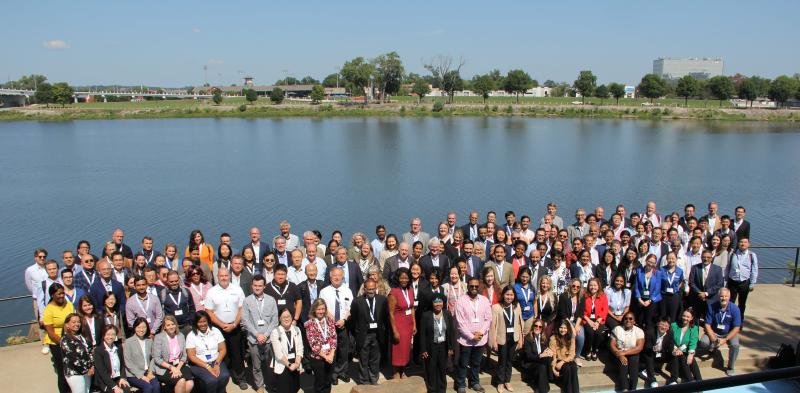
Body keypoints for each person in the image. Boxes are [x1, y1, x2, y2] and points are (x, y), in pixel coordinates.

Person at [204, 266, 247, 389]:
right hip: (218, 328)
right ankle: (223, 377)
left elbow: (241, 308)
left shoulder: (237, 289)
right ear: (217, 277)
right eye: (221, 276)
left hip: (235, 326)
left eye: (226, 275)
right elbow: (209, 311)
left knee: (237, 354)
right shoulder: (211, 291)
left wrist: (234, 324)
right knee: (222, 354)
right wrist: (222, 324)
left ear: (229, 276)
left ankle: (240, 378)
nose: (224, 278)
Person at [454, 277, 492, 393]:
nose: (474, 288)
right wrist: (471, 336)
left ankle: (475, 382)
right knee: (463, 363)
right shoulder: (460, 301)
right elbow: (460, 323)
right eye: (472, 286)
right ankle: (460, 384)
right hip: (466, 340)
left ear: (479, 286)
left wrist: (480, 332)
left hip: (480, 338)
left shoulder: (485, 300)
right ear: (468, 286)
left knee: (476, 363)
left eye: (476, 286)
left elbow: (488, 318)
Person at [243, 274, 279, 393]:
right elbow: (245, 320)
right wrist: (257, 334)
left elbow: (275, 320)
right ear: (252, 286)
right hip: (254, 339)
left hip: (268, 339)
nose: (257, 288)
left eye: (260, 285)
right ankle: (260, 386)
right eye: (255, 285)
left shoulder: (271, 300)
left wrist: (266, 334)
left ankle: (270, 383)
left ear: (264, 286)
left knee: (270, 364)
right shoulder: (247, 300)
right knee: (256, 365)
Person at [318, 266, 353, 384]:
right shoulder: (324, 291)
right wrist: (330, 317)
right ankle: (333, 374)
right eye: (334, 275)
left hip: (343, 325)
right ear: (330, 277)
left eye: (339, 275)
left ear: (342, 277)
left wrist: (343, 319)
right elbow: (321, 307)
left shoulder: (347, 290)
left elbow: (351, 308)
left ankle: (342, 372)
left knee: (343, 350)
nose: (336, 277)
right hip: (329, 326)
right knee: (332, 350)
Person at [351, 278, 388, 385]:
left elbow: (385, 317)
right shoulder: (357, 301)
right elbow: (353, 320)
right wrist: (357, 333)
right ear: (365, 289)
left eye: (373, 289)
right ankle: (364, 381)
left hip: (377, 334)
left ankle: (373, 379)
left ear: (376, 288)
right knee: (363, 360)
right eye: (369, 289)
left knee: (375, 359)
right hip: (364, 335)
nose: (371, 291)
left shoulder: (382, 299)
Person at [699, 287, 741, 376]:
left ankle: (730, 367)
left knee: (735, 345)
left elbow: (736, 328)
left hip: (728, 333)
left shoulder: (735, 309)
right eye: (722, 296)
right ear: (718, 297)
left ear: (729, 297)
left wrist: (725, 339)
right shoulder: (712, 306)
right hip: (714, 332)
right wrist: (711, 335)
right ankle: (713, 347)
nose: (724, 298)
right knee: (703, 342)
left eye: (726, 296)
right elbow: (707, 324)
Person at [186, 311, 230, 393]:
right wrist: (208, 367)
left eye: (204, 321)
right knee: (211, 380)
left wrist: (217, 364)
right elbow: (191, 356)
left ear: (208, 321)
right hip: (199, 364)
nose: (202, 324)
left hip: (216, 361)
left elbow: (223, 349)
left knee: (224, 376)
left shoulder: (215, 331)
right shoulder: (191, 336)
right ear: (196, 323)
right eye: (199, 322)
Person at [419, 293, 456, 393]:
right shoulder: (426, 315)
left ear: (443, 303)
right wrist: (423, 349)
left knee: (442, 369)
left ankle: (442, 389)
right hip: (431, 346)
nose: (438, 304)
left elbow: (451, 332)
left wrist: (451, 347)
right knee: (431, 369)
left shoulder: (447, 314)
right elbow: (422, 334)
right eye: (435, 302)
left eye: (440, 302)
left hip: (443, 346)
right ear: (432, 303)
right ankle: (432, 389)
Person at [490, 286, 524, 393]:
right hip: (502, 338)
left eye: (511, 295)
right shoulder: (496, 307)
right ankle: (500, 382)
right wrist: (494, 341)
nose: (509, 297)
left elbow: (520, 323)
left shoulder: (517, 306)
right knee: (502, 361)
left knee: (510, 361)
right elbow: (493, 326)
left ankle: (507, 381)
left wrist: (520, 339)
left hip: (513, 337)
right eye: (507, 294)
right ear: (503, 295)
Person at [43, 283, 75, 393]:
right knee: (63, 371)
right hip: (57, 343)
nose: (61, 296)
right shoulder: (48, 310)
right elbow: (50, 332)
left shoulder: (68, 304)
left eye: (63, 293)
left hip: (71, 339)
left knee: (73, 369)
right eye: (58, 294)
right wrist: (63, 343)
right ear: (52, 295)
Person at [152, 316, 194, 393]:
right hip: (165, 367)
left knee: (190, 383)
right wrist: (172, 368)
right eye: (168, 325)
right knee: (181, 381)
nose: (171, 327)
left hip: (179, 365)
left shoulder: (180, 336)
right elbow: (157, 358)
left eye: (172, 324)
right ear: (164, 327)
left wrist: (177, 368)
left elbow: (184, 356)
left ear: (176, 325)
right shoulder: (159, 337)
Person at [387, 268, 415, 379]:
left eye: (406, 277)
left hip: (408, 324)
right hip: (398, 324)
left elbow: (412, 308)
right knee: (398, 349)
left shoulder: (410, 290)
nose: (404, 280)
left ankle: (402, 370)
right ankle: (395, 373)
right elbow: (391, 313)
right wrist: (394, 331)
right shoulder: (393, 292)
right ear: (397, 278)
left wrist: (414, 324)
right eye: (402, 277)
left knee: (406, 349)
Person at [304, 299, 337, 393]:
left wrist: (331, 354)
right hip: (318, 358)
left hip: (330, 357)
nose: (321, 311)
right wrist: (326, 356)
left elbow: (333, 338)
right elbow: (313, 344)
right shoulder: (309, 324)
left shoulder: (329, 321)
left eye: (323, 309)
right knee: (320, 384)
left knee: (328, 382)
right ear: (314, 310)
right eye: (318, 309)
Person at [270, 308, 304, 393]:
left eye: (288, 316)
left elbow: (300, 348)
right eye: (284, 317)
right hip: (283, 364)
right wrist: (289, 365)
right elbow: (278, 353)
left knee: (294, 388)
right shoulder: (275, 332)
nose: (286, 319)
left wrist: (297, 363)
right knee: (284, 389)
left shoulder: (297, 329)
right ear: (279, 319)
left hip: (295, 363)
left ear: (292, 317)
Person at [122, 317, 160, 393]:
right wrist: (141, 376)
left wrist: (150, 372)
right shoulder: (128, 342)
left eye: (144, 327)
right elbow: (128, 362)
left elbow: (153, 357)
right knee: (148, 387)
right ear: (135, 328)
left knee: (156, 386)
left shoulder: (149, 340)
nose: (141, 330)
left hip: (148, 371)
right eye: (139, 327)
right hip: (134, 374)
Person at [610, 311, 645, 391]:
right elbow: (612, 345)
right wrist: (620, 355)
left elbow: (639, 347)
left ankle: (633, 389)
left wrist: (624, 353)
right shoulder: (617, 329)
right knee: (623, 365)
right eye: (626, 318)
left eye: (630, 318)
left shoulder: (639, 331)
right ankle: (625, 389)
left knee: (633, 365)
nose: (628, 320)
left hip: (633, 353)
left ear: (634, 321)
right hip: (618, 353)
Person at [61, 313, 96, 393]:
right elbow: (73, 358)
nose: (77, 324)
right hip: (75, 373)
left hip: (87, 371)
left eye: (78, 322)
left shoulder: (82, 337)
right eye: (73, 322)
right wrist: (86, 370)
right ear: (67, 325)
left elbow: (90, 351)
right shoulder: (65, 339)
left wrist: (92, 366)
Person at [725, 237, 757, 322]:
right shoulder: (733, 253)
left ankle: (739, 321)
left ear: (748, 244)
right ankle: (729, 320)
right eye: (741, 242)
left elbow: (754, 270)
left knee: (742, 303)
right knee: (730, 302)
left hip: (744, 282)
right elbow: (728, 268)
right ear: (738, 244)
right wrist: (726, 281)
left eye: (745, 242)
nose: (743, 244)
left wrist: (752, 283)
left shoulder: (751, 255)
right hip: (733, 282)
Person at [93, 324, 132, 393]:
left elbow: (122, 365)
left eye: (113, 334)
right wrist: (114, 386)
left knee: (127, 390)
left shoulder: (118, 347)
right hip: (104, 381)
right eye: (108, 334)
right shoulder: (98, 350)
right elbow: (102, 372)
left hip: (117, 378)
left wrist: (123, 378)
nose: (110, 337)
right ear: (103, 335)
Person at [556, 278, 585, 365]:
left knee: (580, 336)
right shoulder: (564, 296)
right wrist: (572, 327)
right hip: (565, 321)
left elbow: (581, 313)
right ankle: (566, 354)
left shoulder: (581, 297)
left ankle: (576, 356)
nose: (575, 288)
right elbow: (562, 313)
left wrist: (577, 325)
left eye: (578, 287)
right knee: (571, 333)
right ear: (570, 285)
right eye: (574, 286)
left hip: (576, 321)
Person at [641, 317, 677, 388]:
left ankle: (673, 379)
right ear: (657, 324)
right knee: (649, 356)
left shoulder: (670, 333)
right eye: (662, 324)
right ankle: (652, 380)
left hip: (662, 354)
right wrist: (654, 348)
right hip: (651, 353)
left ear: (668, 327)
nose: (663, 327)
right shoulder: (649, 332)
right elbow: (646, 348)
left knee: (674, 356)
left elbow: (670, 346)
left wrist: (674, 351)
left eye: (666, 326)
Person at [159, 270, 195, 334]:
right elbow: (160, 312)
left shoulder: (185, 292)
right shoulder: (163, 294)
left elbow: (192, 308)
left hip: (186, 327)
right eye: (171, 282)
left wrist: (190, 321)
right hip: (171, 329)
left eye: (176, 281)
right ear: (167, 281)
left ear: (179, 280)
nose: (174, 283)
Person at [671, 309, 702, 383]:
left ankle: (699, 381)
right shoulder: (674, 325)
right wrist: (675, 348)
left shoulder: (694, 328)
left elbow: (693, 342)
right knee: (683, 356)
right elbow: (669, 339)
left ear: (691, 318)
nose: (685, 318)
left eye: (688, 317)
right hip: (674, 351)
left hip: (684, 351)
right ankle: (691, 380)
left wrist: (691, 354)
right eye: (684, 316)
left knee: (690, 358)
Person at [549, 320, 579, 393]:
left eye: (565, 328)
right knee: (567, 367)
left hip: (566, 360)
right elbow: (553, 356)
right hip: (558, 362)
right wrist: (553, 369)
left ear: (568, 329)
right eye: (561, 328)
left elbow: (572, 355)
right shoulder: (553, 338)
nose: (563, 330)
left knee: (574, 366)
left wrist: (563, 361)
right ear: (558, 328)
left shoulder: (571, 338)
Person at [634, 253, 662, 330]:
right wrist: (639, 299)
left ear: (655, 264)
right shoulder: (639, 271)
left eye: (653, 263)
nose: (650, 264)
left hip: (652, 300)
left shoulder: (658, 273)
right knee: (639, 321)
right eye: (649, 261)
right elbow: (636, 287)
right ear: (646, 261)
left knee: (649, 322)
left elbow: (657, 289)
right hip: (640, 300)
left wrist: (649, 300)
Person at [582, 278, 608, 361]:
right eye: (591, 285)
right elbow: (581, 310)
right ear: (588, 286)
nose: (593, 287)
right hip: (587, 319)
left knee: (598, 333)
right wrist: (589, 321)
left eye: (595, 285)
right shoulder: (584, 295)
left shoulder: (603, 295)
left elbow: (605, 309)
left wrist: (597, 322)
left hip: (599, 319)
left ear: (598, 286)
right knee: (589, 332)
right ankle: (588, 350)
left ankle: (594, 351)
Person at [660, 251, 684, 323]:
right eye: (669, 258)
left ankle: (671, 332)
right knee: (662, 316)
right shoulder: (661, 270)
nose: (671, 260)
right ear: (666, 259)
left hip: (674, 296)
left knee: (673, 316)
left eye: (673, 258)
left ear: (676, 259)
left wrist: (676, 289)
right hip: (663, 296)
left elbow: (681, 281)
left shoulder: (680, 271)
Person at [514, 267, 536, 337]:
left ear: (530, 277)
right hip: (518, 315)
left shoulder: (532, 288)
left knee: (526, 336)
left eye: (527, 277)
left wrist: (535, 316)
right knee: (518, 335)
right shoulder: (515, 287)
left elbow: (535, 302)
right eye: (523, 276)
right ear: (519, 276)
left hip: (529, 315)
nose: (525, 279)